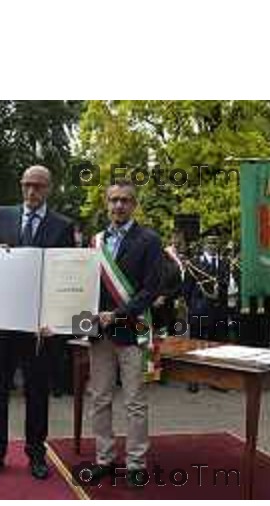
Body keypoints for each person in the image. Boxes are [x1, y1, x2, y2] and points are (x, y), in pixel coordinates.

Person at [0, 165, 74, 480]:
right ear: (20, 186)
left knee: (37, 389)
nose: (31, 192)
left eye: (38, 186)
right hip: (3, 319)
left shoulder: (62, 225)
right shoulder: (2, 216)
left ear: (49, 188)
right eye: (27, 185)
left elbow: (66, 272)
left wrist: (58, 319)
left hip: (39, 324)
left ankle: (36, 452)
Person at [88, 180, 162, 487]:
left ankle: (135, 463)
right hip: (98, 333)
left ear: (134, 205)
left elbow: (151, 288)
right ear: (106, 203)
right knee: (100, 399)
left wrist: (117, 314)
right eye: (114, 200)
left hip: (132, 331)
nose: (119, 205)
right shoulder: (96, 241)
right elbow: (86, 284)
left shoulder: (149, 240)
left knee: (134, 401)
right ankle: (104, 459)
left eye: (125, 200)